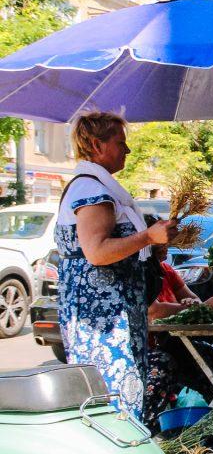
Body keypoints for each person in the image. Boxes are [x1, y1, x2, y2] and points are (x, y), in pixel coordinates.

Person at [56, 112, 177, 421]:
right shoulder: (90, 191)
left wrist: (153, 245)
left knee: (122, 394)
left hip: (114, 315)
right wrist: (147, 235)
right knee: (114, 399)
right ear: (97, 145)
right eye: (120, 143)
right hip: (103, 320)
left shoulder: (99, 187)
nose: (127, 150)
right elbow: (96, 253)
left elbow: (118, 251)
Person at [144, 221, 213, 428]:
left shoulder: (166, 271)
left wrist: (194, 304)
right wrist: (192, 308)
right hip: (153, 346)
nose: (166, 247)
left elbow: (195, 300)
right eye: (162, 243)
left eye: (167, 243)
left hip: (175, 341)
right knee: (166, 363)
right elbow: (153, 311)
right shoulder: (142, 272)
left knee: (207, 355)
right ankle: (155, 427)